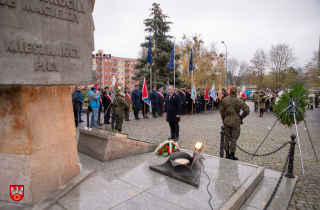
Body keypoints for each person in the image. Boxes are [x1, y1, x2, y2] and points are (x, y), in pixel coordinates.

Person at [220, 85, 250, 160]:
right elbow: (247, 110)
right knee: (234, 138)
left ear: (230, 91)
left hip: (227, 120)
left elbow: (221, 111)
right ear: (236, 92)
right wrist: (241, 117)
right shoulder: (239, 100)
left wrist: (224, 119)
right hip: (236, 121)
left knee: (226, 138)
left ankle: (226, 154)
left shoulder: (225, 99)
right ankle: (232, 154)